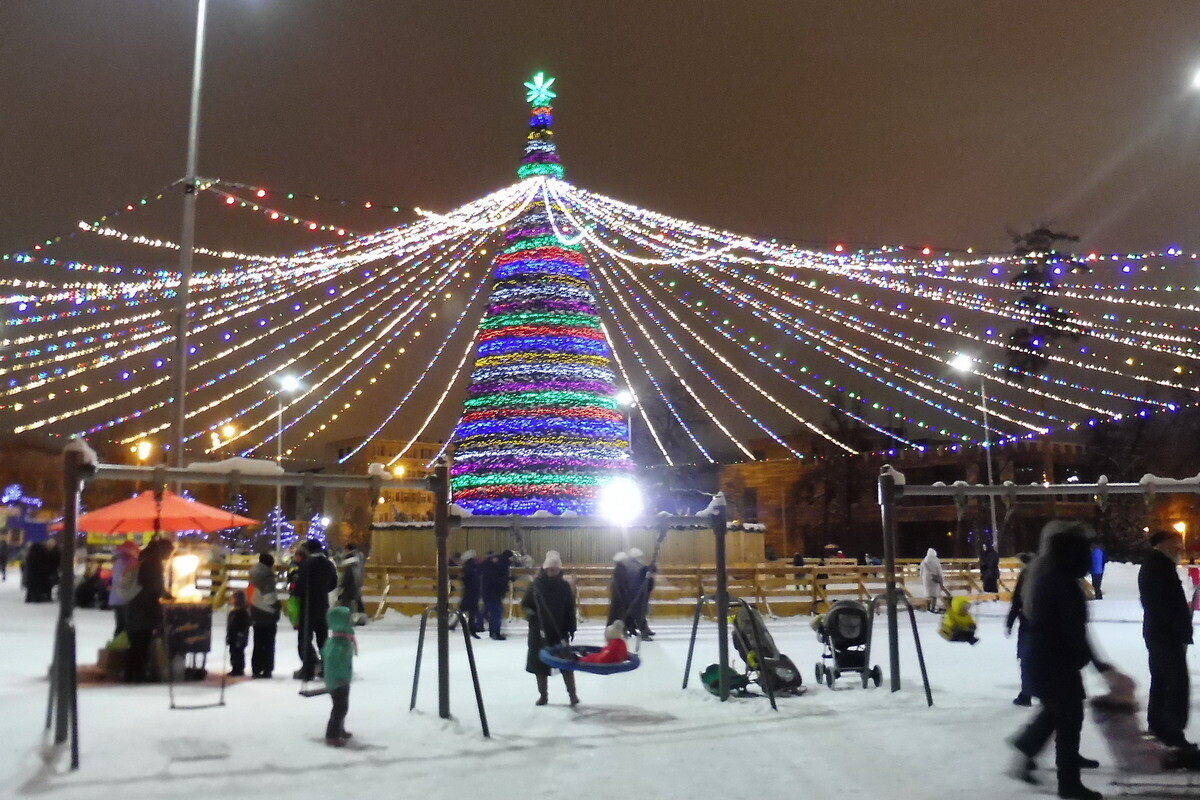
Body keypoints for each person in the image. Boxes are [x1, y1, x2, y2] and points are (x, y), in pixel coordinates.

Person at [1010, 522, 1110, 800]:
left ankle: (1031, 749)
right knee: (1068, 716)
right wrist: (1098, 665)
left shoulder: (1054, 574)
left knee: (1059, 712)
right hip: (1053, 661)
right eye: (1086, 550)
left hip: (1050, 659)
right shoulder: (1059, 581)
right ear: (1072, 551)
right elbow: (1073, 630)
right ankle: (1068, 783)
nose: (1089, 557)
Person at [1138, 529, 1194, 749]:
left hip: (1160, 633)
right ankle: (1172, 732)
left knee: (1162, 681)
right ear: (1163, 544)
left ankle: (1159, 726)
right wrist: (1179, 629)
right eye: (1175, 543)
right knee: (1176, 683)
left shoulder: (1159, 565)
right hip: (1165, 634)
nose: (1180, 548)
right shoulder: (1157, 567)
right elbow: (1162, 605)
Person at [1091, 669, 1200, 773]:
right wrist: (1157, 748)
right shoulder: (1119, 720)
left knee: (1187, 756)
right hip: (1148, 760)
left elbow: (1136, 738)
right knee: (1189, 757)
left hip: (1146, 757)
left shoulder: (1116, 715)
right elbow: (1133, 744)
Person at [521, 551, 579, 707]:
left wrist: (571, 627)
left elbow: (570, 608)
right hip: (539, 631)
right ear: (545, 569)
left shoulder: (564, 586)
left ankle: (572, 695)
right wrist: (533, 617)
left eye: (556, 569)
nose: (553, 572)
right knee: (540, 665)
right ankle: (543, 695)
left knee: (566, 663)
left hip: (559, 630)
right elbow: (525, 606)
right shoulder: (535, 586)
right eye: (550, 569)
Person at [125, 538, 174, 683]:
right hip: (144, 606)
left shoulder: (147, 557)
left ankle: (132, 672)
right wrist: (166, 595)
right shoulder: (154, 562)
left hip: (137, 604)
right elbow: (155, 586)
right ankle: (137, 673)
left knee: (137, 641)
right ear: (164, 550)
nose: (169, 556)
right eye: (169, 553)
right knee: (142, 640)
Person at [293, 538, 338, 681]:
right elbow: (333, 583)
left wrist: (297, 591)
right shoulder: (328, 564)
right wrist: (322, 589)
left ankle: (308, 668)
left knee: (305, 638)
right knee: (322, 638)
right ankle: (325, 666)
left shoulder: (306, 564)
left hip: (308, 605)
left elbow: (299, 586)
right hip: (322, 604)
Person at [321, 605, 357, 747]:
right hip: (338, 681)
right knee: (340, 708)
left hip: (342, 680)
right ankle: (332, 734)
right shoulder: (338, 645)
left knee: (342, 707)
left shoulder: (339, 641)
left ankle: (339, 729)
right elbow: (331, 659)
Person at [1006, 552, 1036, 706]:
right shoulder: (1047, 574)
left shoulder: (1026, 575)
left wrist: (1010, 622)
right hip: (1044, 625)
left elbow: (1017, 600)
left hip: (1028, 623)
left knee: (1026, 659)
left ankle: (1026, 694)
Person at [248, 552, 280, 679]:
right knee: (268, 643)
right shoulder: (267, 577)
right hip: (267, 613)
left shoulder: (253, 574)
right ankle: (267, 668)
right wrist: (277, 606)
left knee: (258, 642)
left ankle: (256, 668)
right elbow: (269, 598)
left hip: (255, 610)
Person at [108, 540, 140, 637]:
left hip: (117, 597)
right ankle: (121, 644)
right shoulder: (128, 561)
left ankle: (118, 643)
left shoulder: (119, 561)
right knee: (125, 626)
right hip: (125, 597)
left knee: (120, 625)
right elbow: (129, 580)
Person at [480, 550, 513, 640]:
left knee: (494, 612)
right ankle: (495, 632)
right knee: (496, 612)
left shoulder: (491, 565)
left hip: (490, 592)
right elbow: (497, 579)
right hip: (493, 592)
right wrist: (507, 580)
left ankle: (492, 631)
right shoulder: (498, 566)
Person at [624, 548, 655, 640]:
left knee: (636, 613)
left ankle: (631, 628)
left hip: (638, 592)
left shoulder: (636, 564)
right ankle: (643, 632)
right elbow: (638, 576)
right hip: (635, 593)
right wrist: (647, 570)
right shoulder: (632, 566)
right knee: (639, 613)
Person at [456, 550, 482, 637]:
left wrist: (463, 579)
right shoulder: (474, 567)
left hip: (469, 592)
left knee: (463, 610)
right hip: (473, 592)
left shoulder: (467, 567)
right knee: (472, 612)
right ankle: (471, 629)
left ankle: (453, 624)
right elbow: (474, 579)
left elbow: (467, 579)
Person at [227, 589, 250, 677]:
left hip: (239, 636)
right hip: (232, 636)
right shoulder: (233, 612)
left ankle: (239, 669)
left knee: (238, 652)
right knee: (233, 652)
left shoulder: (243, 612)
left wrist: (240, 635)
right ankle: (234, 667)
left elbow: (244, 625)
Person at [337, 544, 365, 618]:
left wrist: (342, 585)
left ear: (348, 550)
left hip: (350, 585)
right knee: (357, 601)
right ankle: (361, 615)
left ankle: (346, 617)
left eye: (345, 550)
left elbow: (347, 576)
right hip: (356, 584)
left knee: (345, 601)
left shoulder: (349, 561)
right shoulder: (358, 559)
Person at [919, 547, 944, 612]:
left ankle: (928, 607)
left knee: (928, 594)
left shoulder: (924, 561)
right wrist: (941, 578)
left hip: (926, 579)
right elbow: (939, 570)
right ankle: (933, 607)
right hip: (934, 579)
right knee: (934, 595)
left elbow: (921, 571)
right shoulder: (936, 560)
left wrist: (921, 579)